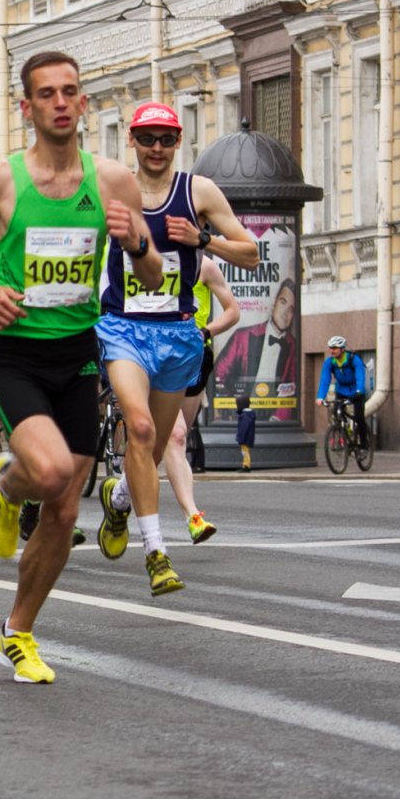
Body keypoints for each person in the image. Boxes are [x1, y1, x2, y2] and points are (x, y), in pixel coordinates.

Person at [0, 50, 159, 684]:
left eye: (72, 92)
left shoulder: (112, 180)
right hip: (18, 353)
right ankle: (7, 483)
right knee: (53, 473)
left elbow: (152, 273)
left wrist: (136, 241)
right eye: (47, 94)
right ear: (26, 108)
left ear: (84, 103)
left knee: (63, 512)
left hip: (77, 353)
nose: (61, 102)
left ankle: (17, 631)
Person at [92, 102, 258, 596]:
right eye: (148, 138)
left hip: (178, 334)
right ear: (132, 141)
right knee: (139, 429)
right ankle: (157, 553)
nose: (157, 148)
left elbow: (249, 252)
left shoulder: (197, 191)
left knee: (156, 444)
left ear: (179, 140)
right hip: (121, 327)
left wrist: (203, 238)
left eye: (166, 138)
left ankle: (118, 499)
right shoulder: (110, 190)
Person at [160, 256, 240, 542]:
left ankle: (120, 494)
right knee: (177, 437)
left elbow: (233, 311)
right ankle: (193, 516)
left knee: (165, 447)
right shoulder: (148, 259)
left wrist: (206, 331)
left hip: (194, 358)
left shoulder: (204, 266)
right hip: (158, 356)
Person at [212, 276, 299, 420]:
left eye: (291, 309)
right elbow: (219, 373)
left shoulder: (292, 346)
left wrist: (276, 419)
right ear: (274, 303)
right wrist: (231, 410)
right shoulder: (242, 336)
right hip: (241, 412)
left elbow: (291, 391)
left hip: (272, 418)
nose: (285, 312)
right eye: (283, 302)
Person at [316, 335, 369, 449]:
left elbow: (360, 376)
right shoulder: (330, 362)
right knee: (336, 413)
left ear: (342, 349)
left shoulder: (353, 359)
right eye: (330, 348)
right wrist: (320, 397)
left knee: (359, 417)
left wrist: (359, 390)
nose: (332, 350)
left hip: (356, 391)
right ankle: (341, 435)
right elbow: (325, 380)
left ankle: (364, 446)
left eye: (335, 348)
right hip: (341, 390)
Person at [234, 393, 256, 470]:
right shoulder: (248, 414)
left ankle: (246, 465)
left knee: (245, 452)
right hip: (247, 438)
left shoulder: (245, 416)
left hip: (245, 438)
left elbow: (243, 429)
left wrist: (241, 438)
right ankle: (245, 465)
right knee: (245, 451)